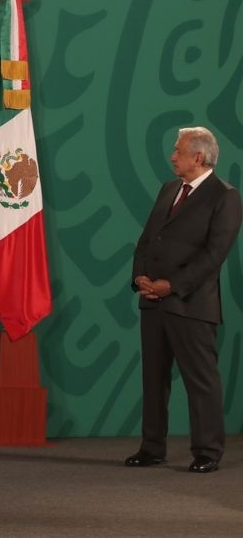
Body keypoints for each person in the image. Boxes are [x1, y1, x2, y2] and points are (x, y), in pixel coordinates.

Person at [126, 126, 241, 473]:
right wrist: (140, 278)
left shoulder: (225, 196)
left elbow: (214, 255)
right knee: (154, 379)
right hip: (154, 301)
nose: (172, 156)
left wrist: (171, 285)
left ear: (199, 157)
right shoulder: (168, 189)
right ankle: (152, 447)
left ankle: (207, 452)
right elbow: (147, 240)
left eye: (178, 151)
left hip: (192, 304)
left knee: (200, 381)